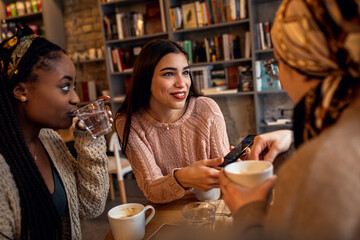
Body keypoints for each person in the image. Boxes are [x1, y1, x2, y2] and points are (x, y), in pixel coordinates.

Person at [219, 0, 360, 239]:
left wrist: (248, 212)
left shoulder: (314, 169)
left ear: (304, 63)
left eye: (279, 62)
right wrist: (293, 138)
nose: (280, 80)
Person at [0, 26, 112, 239]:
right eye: (64, 86)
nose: (76, 98)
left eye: (74, 86)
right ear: (21, 91)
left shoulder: (49, 140)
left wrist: (89, 136)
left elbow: (91, 207)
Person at [115, 39, 229, 204]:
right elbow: (151, 190)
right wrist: (183, 178)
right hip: (167, 212)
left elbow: (224, 178)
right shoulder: (129, 122)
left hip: (211, 208)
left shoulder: (207, 109)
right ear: (146, 79)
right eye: (168, 73)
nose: (182, 83)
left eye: (185, 72)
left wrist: (237, 169)